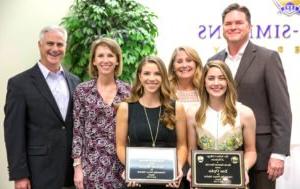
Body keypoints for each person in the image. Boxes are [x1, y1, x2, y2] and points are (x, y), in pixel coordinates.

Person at [209, 3, 292, 189]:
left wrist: (279, 153)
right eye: (228, 23)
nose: (233, 27)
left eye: (239, 22)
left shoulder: (268, 58)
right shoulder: (213, 61)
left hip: (262, 156)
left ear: (250, 27)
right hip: (223, 155)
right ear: (222, 28)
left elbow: (281, 109)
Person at [4, 25, 81, 189]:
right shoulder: (19, 84)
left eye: (60, 44)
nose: (55, 49)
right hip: (38, 173)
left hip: (71, 173)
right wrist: (20, 175)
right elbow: (14, 133)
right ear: (40, 45)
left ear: (65, 47)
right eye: (50, 43)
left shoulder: (75, 81)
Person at [116, 56, 188, 188]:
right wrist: (130, 167)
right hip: (137, 181)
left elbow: (182, 145)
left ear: (163, 77)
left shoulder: (176, 108)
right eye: (147, 73)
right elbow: (120, 146)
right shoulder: (126, 108)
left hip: (169, 181)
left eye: (157, 74)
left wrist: (177, 167)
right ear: (140, 76)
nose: (152, 78)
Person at [72, 37, 130, 189]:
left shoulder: (128, 92)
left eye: (110, 55)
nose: (106, 60)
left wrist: (132, 167)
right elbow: (78, 131)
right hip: (90, 166)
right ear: (94, 61)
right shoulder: (82, 90)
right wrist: (77, 167)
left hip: (121, 165)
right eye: (101, 56)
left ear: (117, 60)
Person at [188, 60, 257, 187]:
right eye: (211, 78)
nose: (216, 83)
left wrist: (243, 169)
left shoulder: (245, 113)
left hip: (234, 182)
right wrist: (194, 168)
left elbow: (251, 151)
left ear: (228, 82)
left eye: (221, 78)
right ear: (204, 81)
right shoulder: (193, 114)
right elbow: (191, 151)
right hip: (204, 183)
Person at [168, 46, 203, 188]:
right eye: (179, 61)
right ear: (173, 66)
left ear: (196, 64)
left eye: (189, 60)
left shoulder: (206, 90)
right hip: (173, 157)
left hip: (201, 156)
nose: (184, 65)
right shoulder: (165, 91)